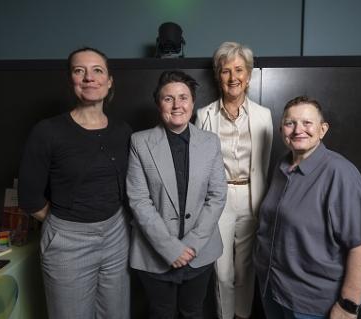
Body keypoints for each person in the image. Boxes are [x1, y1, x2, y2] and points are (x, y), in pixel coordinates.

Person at [18, 47, 131, 319]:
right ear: (71, 81)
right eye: (80, 71)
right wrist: (65, 227)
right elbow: (29, 197)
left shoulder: (123, 131)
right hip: (68, 241)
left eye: (97, 71)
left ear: (109, 80)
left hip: (116, 235)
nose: (89, 78)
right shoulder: (47, 131)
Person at [254, 96, 361, 319]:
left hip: (312, 304)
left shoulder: (340, 173)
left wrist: (347, 306)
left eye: (307, 123)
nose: (298, 130)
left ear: (322, 129)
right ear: (281, 129)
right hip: (274, 291)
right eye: (290, 123)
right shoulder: (282, 166)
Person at [126, 70, 227, 319]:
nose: (176, 105)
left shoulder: (210, 142)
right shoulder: (140, 142)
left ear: (193, 103)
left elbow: (217, 195)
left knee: (193, 311)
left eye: (183, 97)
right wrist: (170, 249)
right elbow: (139, 200)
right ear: (158, 104)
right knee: (161, 313)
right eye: (168, 98)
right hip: (154, 252)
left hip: (200, 252)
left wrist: (191, 246)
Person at [195, 41, 273, 319]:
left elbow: (263, 164)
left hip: (252, 198)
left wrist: (259, 200)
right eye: (226, 70)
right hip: (218, 199)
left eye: (239, 70)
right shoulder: (203, 115)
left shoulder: (264, 116)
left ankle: (242, 315)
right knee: (222, 270)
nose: (233, 77)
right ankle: (225, 315)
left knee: (246, 268)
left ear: (248, 75)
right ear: (218, 75)